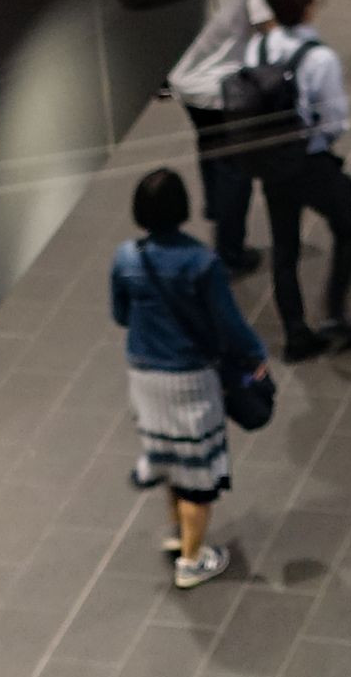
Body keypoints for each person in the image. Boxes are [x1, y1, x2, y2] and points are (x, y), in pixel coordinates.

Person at [110, 162, 266, 590]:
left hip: (144, 378)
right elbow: (229, 323)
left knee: (170, 460)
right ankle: (192, 561)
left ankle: (179, 533)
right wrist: (255, 356)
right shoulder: (201, 262)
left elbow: (120, 314)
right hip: (190, 380)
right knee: (198, 475)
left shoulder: (127, 257)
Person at [239, 0, 351, 362]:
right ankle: (335, 314)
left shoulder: (257, 48)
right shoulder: (319, 59)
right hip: (310, 163)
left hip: (272, 163)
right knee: (347, 227)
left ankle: (295, 332)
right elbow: (335, 121)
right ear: (311, 5)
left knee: (284, 248)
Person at [165, 0, 284, 272]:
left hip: (186, 83)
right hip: (222, 91)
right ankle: (230, 252)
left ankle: (215, 207)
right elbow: (268, 27)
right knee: (236, 169)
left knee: (208, 144)